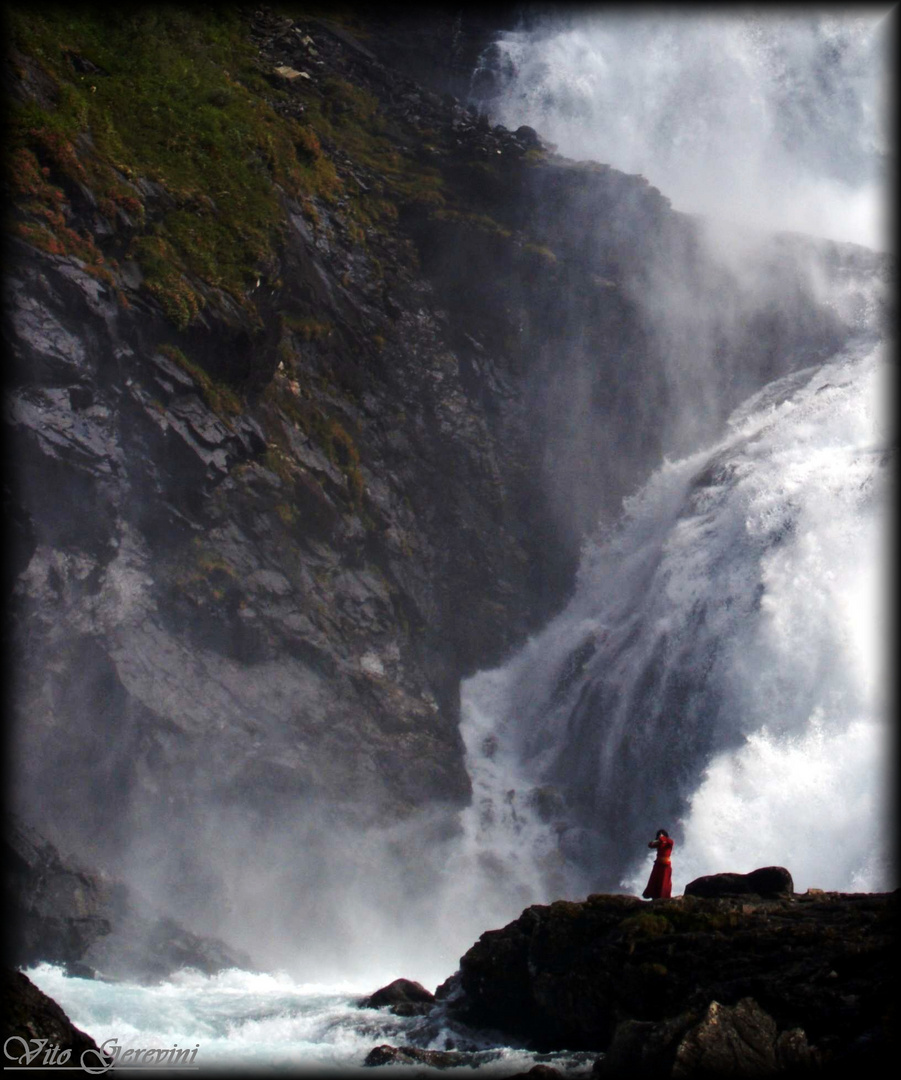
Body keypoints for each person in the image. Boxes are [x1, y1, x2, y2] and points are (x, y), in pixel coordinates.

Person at [642, 829, 674, 899]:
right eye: (659, 835)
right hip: (658, 865)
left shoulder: (669, 842)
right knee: (655, 881)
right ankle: (654, 896)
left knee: (664, 883)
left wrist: (661, 838)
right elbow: (650, 845)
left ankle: (664, 897)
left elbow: (669, 841)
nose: (660, 836)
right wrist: (658, 841)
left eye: (662, 834)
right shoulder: (659, 843)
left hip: (666, 866)